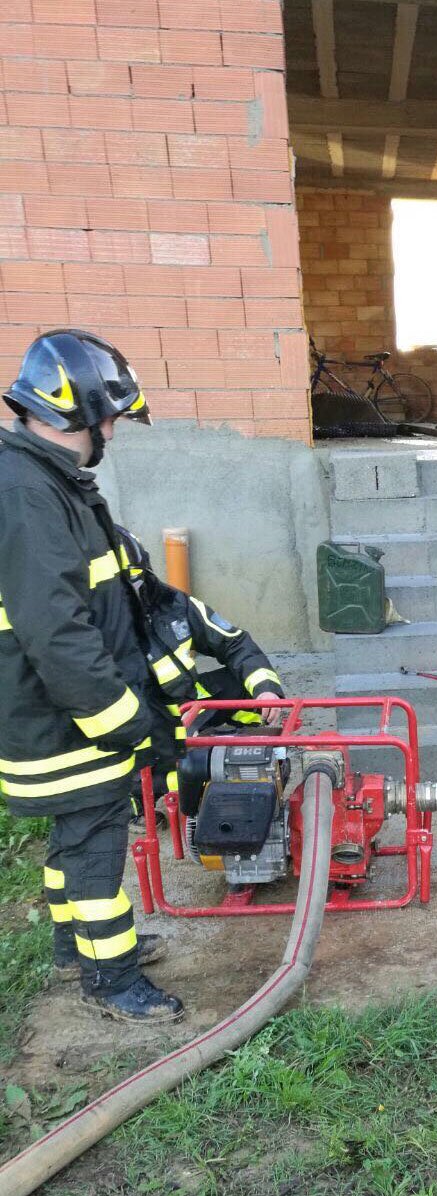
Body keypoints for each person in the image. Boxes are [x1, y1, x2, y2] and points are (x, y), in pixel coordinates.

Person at [0, 329, 183, 1022]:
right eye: (111, 417)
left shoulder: (42, 479)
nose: (113, 431)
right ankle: (113, 980)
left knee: (70, 842)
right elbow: (58, 633)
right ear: (81, 412)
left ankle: (72, 950)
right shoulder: (27, 491)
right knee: (95, 852)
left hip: (54, 717)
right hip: (68, 725)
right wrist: (126, 722)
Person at [113, 525, 285, 813]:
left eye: (136, 580)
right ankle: (143, 804)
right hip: (139, 726)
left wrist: (266, 691)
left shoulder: (171, 603)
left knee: (245, 685)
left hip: (188, 706)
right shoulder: (93, 628)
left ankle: (249, 752)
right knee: (161, 771)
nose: (131, 592)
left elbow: (234, 643)